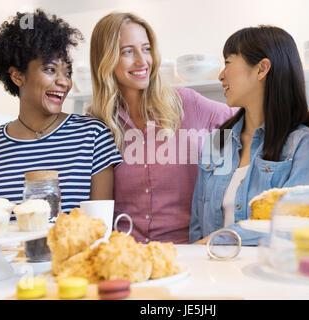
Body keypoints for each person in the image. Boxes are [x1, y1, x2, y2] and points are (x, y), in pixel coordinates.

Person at [89, 12, 235, 244]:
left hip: (189, 254)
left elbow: (250, 119)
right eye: (127, 51)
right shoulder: (97, 122)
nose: (142, 61)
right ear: (105, 59)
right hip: (128, 257)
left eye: (146, 49)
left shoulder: (187, 103)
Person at [189, 26, 309, 245]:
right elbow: (197, 225)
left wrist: (215, 241)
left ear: (262, 69)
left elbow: (295, 224)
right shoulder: (217, 141)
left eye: (228, 62)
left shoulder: (304, 146)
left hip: (266, 274)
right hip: (211, 274)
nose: (220, 75)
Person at [0, 9, 123, 213]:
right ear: (17, 76)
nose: (63, 82)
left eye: (68, 72)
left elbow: (99, 227)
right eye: (50, 69)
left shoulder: (93, 135)